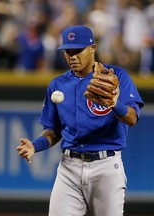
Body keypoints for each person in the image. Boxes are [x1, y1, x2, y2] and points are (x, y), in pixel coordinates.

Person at [17, 25, 144, 216]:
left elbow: (132, 119)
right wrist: (35, 146)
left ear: (93, 48)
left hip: (106, 166)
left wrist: (115, 104)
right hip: (69, 168)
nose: (72, 56)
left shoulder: (116, 77)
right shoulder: (57, 84)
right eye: (68, 51)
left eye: (78, 50)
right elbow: (53, 131)